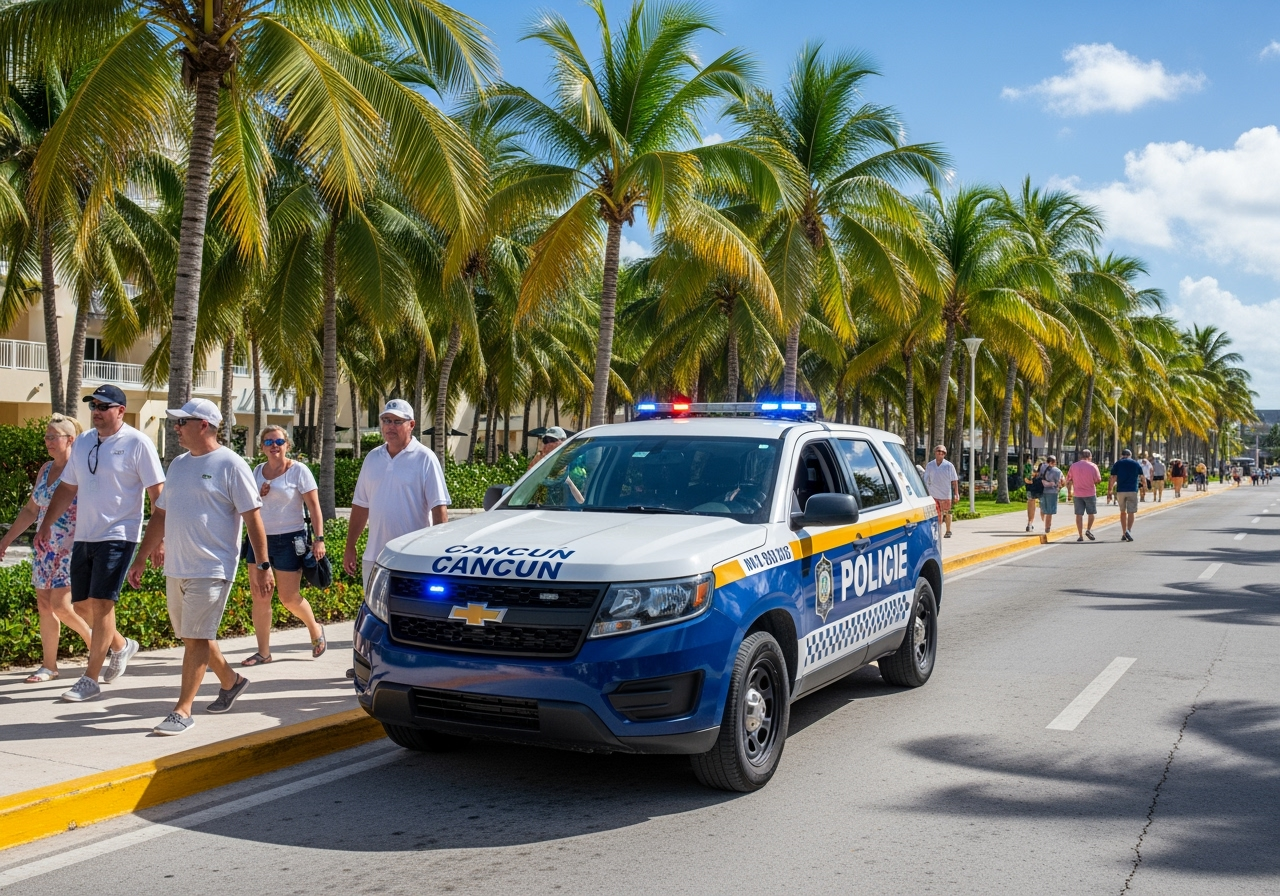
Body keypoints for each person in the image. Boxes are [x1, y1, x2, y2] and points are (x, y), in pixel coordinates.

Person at [128, 399, 271, 736]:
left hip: (212, 566)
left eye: (182, 422)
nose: (176, 428)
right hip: (177, 567)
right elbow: (160, 514)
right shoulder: (177, 464)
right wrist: (140, 556)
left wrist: (262, 565)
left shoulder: (230, 464)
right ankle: (232, 681)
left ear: (203, 425)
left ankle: (182, 711)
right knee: (196, 636)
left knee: (195, 638)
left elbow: (253, 517)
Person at [37, 385, 163, 703]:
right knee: (82, 606)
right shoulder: (82, 442)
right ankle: (121, 645)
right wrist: (48, 523)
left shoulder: (137, 443)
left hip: (120, 535)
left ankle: (89, 678)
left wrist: (159, 541)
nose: (96, 410)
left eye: (104, 406)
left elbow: (158, 496)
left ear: (120, 410)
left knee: (103, 604)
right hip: (85, 535)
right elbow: (67, 488)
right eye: (93, 405)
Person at [0, 415, 96, 682]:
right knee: (44, 605)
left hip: (72, 546)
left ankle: (94, 642)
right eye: (47, 436)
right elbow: (32, 509)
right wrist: (6, 540)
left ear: (71, 440)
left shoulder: (81, 469)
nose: (48, 441)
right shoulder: (45, 469)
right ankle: (50, 666)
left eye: (54, 436)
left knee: (62, 605)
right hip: (45, 547)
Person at [241, 425, 327, 666]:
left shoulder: (298, 471)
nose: (274, 446)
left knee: (288, 598)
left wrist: (319, 540)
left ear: (287, 445)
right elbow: (248, 503)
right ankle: (263, 653)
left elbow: (314, 507)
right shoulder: (257, 471)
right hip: (259, 541)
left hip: (290, 539)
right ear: (262, 448)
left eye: (278, 441)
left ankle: (315, 628)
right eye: (268, 442)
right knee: (260, 596)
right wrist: (260, 492)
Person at [344, 399, 450, 589]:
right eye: (386, 420)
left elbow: (439, 510)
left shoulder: (426, 458)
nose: (390, 426)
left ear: (411, 425)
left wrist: (438, 552)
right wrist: (350, 546)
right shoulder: (372, 458)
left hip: (413, 557)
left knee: (410, 613)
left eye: (397, 421)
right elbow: (360, 506)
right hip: (375, 558)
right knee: (375, 614)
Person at [1065, 448, 1102, 542]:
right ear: (1090, 456)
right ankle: (1088, 530)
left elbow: (1068, 479)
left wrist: (1069, 492)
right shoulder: (1093, 466)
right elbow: (1098, 480)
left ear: (1081, 456)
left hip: (1077, 494)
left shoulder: (1073, 466)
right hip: (1090, 493)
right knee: (1091, 513)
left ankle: (1080, 535)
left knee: (1079, 514)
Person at [923, 445, 959, 539]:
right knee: (936, 514)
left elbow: (954, 480)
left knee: (947, 512)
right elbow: (926, 480)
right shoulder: (930, 465)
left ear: (945, 454)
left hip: (945, 494)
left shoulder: (949, 466)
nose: (940, 453)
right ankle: (937, 531)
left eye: (943, 452)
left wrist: (956, 494)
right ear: (935, 452)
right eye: (939, 451)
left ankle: (948, 530)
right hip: (933, 494)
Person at [1108, 448, 1144, 542]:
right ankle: (1129, 530)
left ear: (1122, 455)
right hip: (1132, 490)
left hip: (1121, 491)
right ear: (1130, 455)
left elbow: (1113, 477)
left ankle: (1124, 533)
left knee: (1123, 512)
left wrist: (1110, 490)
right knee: (1131, 512)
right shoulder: (1135, 463)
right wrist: (1144, 487)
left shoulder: (1118, 463)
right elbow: (1142, 477)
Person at [1038, 455, 1063, 534]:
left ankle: (1043, 514)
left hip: (1042, 490)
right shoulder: (1057, 471)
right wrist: (1059, 487)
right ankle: (1047, 528)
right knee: (1050, 512)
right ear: (1053, 462)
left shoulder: (1042, 467)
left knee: (1044, 508)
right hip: (1052, 492)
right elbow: (1061, 481)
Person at [1024, 456, 1045, 532]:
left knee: (1031, 503)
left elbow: (1026, 479)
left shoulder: (1030, 469)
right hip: (1041, 487)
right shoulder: (1046, 470)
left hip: (1031, 488)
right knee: (1043, 504)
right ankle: (1046, 523)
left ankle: (1030, 524)